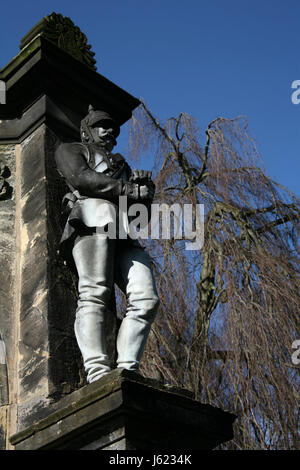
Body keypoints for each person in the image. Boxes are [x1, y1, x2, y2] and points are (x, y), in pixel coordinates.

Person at [55, 105, 159, 383]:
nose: (110, 130)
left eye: (113, 126)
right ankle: (98, 373)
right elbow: (82, 179)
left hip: (124, 232)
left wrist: (145, 195)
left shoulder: (122, 166)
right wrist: (128, 189)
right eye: (102, 124)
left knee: (146, 299)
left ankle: (127, 370)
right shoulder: (71, 149)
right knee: (94, 292)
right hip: (93, 218)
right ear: (87, 129)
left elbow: (141, 218)